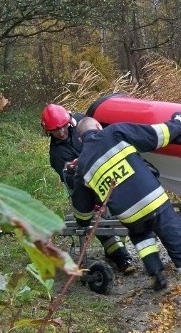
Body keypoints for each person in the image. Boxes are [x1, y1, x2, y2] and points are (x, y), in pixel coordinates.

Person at [71, 113, 181, 306]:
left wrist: (82, 222)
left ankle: (156, 272)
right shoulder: (114, 132)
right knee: (179, 244)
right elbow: (156, 135)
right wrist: (180, 121)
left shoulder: (81, 167)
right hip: (153, 201)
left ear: (80, 140)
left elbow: (82, 210)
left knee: (141, 234)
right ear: (98, 126)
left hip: (129, 215)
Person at [41, 104, 134, 274]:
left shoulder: (81, 121)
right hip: (86, 187)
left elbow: (100, 136)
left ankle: (116, 246)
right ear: (48, 131)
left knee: (119, 217)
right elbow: (74, 182)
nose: (61, 133)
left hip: (108, 174)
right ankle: (122, 257)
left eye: (62, 127)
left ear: (69, 121)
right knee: (99, 222)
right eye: (55, 130)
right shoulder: (57, 155)